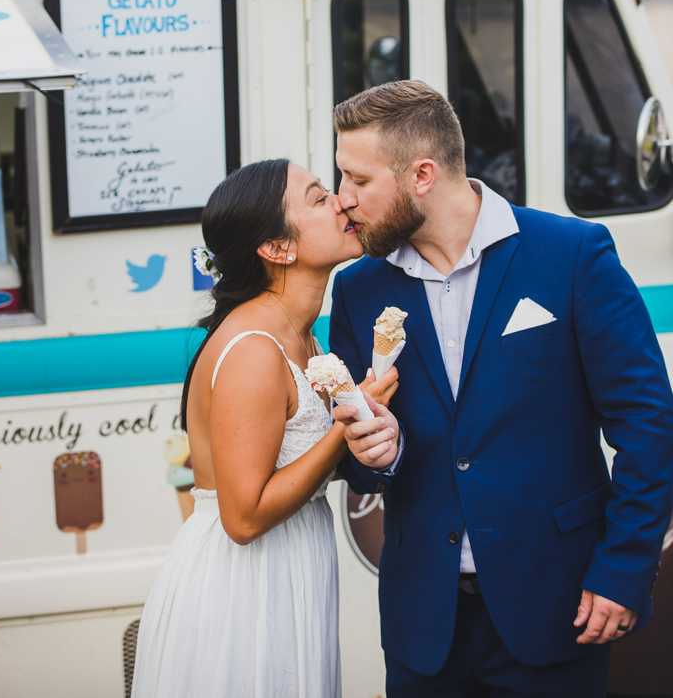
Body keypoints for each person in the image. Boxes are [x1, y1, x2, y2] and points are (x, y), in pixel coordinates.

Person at [330, 80, 673, 698]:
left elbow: (649, 424)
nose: (342, 199)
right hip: (424, 628)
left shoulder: (572, 255)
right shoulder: (357, 289)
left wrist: (625, 567)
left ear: (423, 175)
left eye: (358, 179)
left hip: (558, 608)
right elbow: (359, 462)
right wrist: (377, 454)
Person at [131, 158, 397, 698]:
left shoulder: (304, 338)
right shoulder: (254, 348)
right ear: (278, 249)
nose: (343, 202)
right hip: (244, 586)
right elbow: (244, 518)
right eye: (319, 198)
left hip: (291, 567)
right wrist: (344, 428)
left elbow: (295, 466)